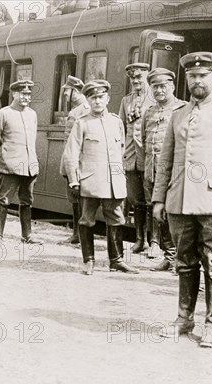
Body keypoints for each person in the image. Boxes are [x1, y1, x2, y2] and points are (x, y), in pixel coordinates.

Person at [152, 52, 212, 348]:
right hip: (179, 202)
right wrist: (158, 199)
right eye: (192, 76)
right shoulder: (178, 115)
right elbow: (165, 161)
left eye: (203, 75)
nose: (197, 80)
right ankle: (184, 319)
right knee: (184, 262)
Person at [63, 80, 139, 275]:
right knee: (87, 220)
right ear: (88, 100)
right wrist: (73, 179)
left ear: (108, 98)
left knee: (116, 219)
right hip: (90, 182)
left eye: (100, 97)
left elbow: (121, 149)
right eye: (93, 97)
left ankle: (116, 260)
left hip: (113, 182)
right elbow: (71, 154)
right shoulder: (82, 123)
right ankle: (88, 261)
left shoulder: (116, 122)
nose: (97, 101)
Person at [141, 68, 186, 273]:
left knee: (175, 216)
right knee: (159, 214)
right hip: (152, 171)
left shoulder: (182, 110)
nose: (159, 90)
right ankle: (169, 257)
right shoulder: (149, 112)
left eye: (163, 86)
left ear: (172, 86)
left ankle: (181, 259)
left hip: (173, 173)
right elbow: (144, 141)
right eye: (155, 87)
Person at [0, 80, 43, 248]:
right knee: (3, 201)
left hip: (28, 166)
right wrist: (2, 161)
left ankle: (27, 235)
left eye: (28, 94)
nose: (26, 97)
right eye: (22, 94)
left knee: (27, 201)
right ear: (14, 94)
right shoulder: (3, 114)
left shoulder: (32, 114)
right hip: (9, 167)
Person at [119, 62, 155, 255]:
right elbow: (122, 127)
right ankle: (141, 240)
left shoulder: (154, 99)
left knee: (152, 201)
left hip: (148, 157)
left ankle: (155, 242)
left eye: (139, 77)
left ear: (146, 76)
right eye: (132, 78)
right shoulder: (126, 100)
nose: (135, 81)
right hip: (131, 157)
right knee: (136, 200)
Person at [59, 76, 90, 245]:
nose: (64, 95)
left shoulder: (82, 110)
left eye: (66, 91)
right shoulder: (77, 110)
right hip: (72, 162)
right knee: (75, 201)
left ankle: (79, 235)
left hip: (78, 164)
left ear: (76, 92)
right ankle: (77, 234)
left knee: (79, 201)